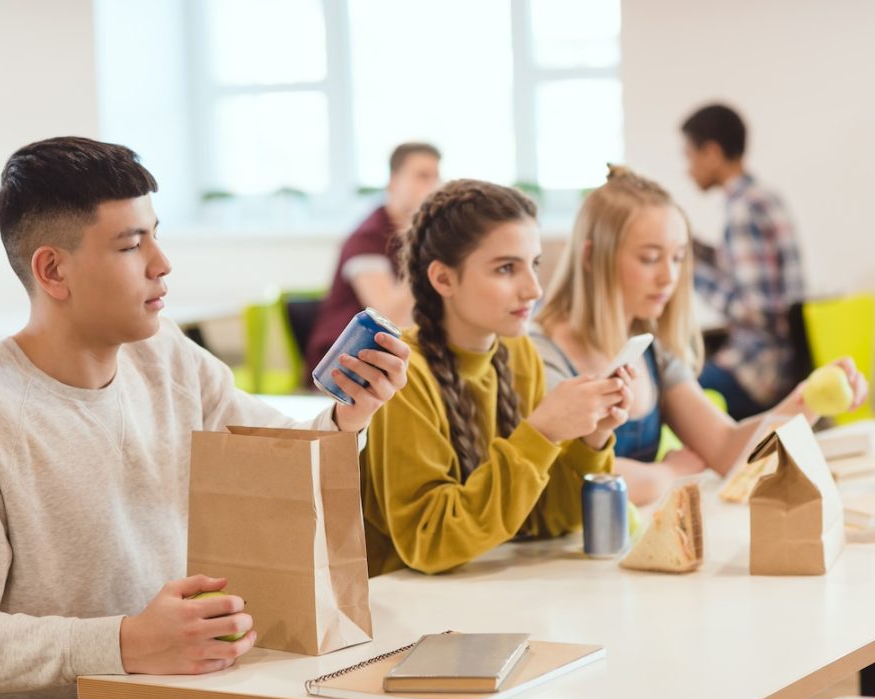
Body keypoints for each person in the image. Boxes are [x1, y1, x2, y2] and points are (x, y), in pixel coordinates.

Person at [0, 137, 410, 699]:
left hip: (179, 695)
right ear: (53, 269)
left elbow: (275, 452)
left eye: (156, 233)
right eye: (131, 245)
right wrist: (124, 644)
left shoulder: (167, 354)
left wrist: (348, 417)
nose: (162, 262)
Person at [531, 166, 866, 505]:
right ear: (590, 256)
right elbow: (572, 481)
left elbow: (729, 451)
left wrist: (807, 399)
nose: (669, 277)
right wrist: (668, 474)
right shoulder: (541, 355)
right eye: (649, 258)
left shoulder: (653, 352)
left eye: (678, 258)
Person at [360, 179, 634, 577]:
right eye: (506, 268)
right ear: (443, 280)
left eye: (534, 264)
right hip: (407, 610)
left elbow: (547, 521)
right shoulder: (402, 373)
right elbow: (429, 541)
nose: (533, 289)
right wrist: (540, 433)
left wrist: (589, 441)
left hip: (492, 593)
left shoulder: (518, 352)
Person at [681, 103, 806, 419]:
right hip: (786, 360)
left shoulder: (742, 212)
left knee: (678, 391)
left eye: (689, 156)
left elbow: (758, 311)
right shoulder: (764, 197)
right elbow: (745, 272)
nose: (687, 168)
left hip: (761, 371)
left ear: (711, 152)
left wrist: (690, 269)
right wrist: (695, 248)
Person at [306, 142, 440, 374]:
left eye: (436, 177)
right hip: (344, 365)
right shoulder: (366, 240)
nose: (433, 186)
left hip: (387, 357)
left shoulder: (411, 234)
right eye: (422, 176)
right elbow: (391, 317)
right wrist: (422, 249)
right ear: (393, 181)